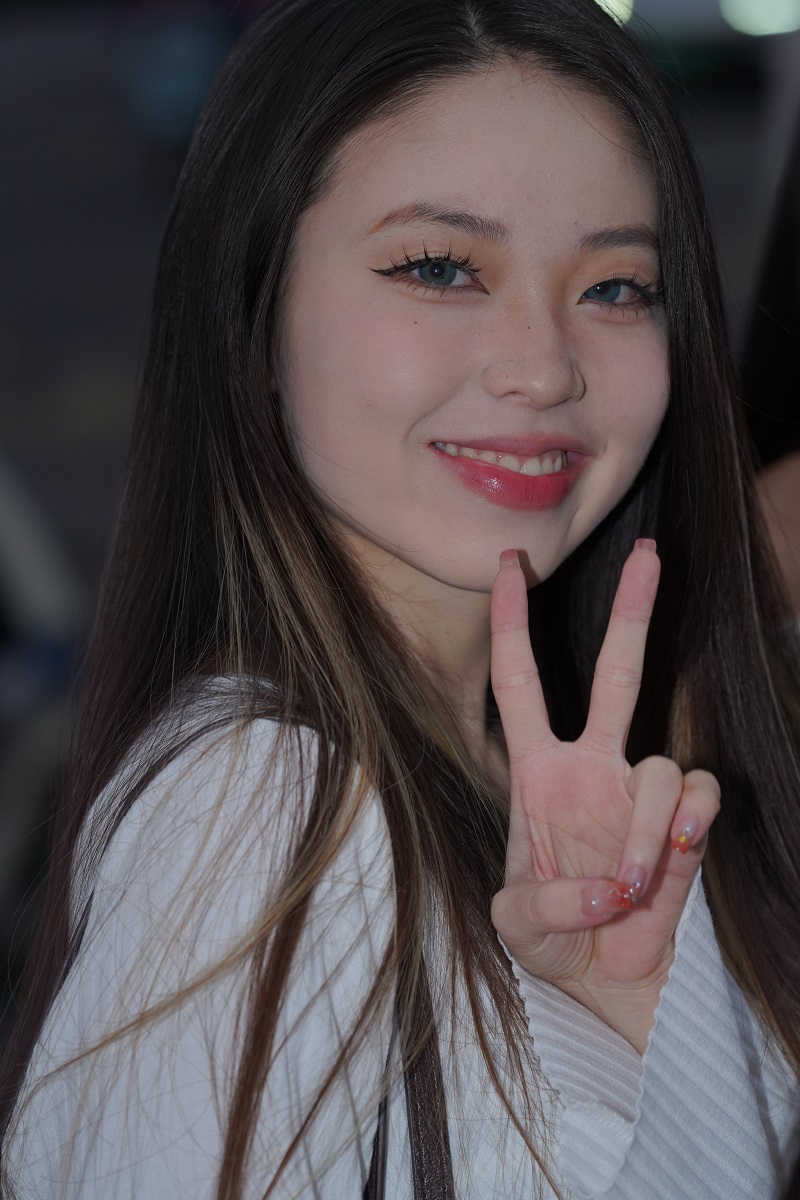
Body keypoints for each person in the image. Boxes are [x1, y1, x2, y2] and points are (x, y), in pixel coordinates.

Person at [2, 1, 799, 1196]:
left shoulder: (551, 773)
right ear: (253, 312)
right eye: (438, 268)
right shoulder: (268, 804)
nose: (542, 366)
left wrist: (619, 1025)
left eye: (615, 287)